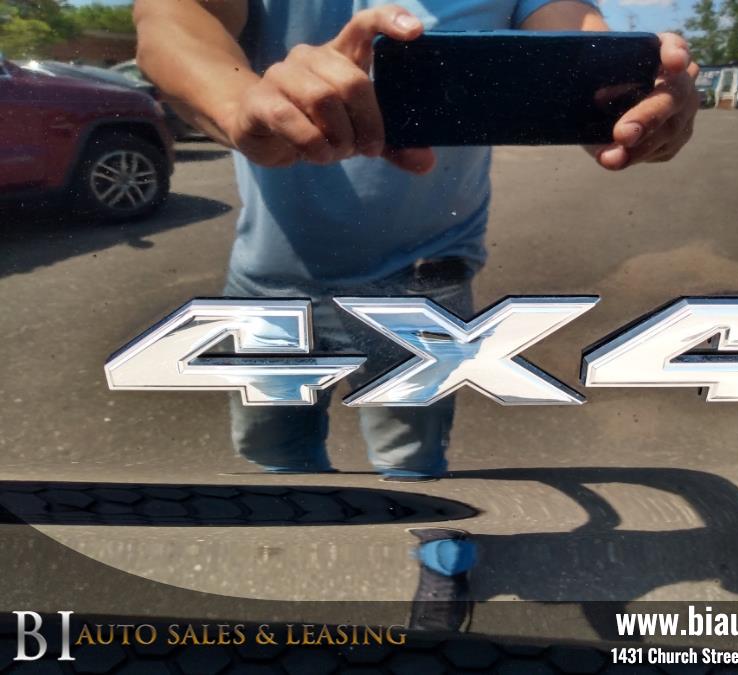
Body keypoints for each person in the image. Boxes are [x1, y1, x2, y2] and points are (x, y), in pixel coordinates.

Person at [133, 0, 700, 479]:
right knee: (279, 461)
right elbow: (172, 17)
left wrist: (628, 91)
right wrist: (236, 103)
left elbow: (572, 30)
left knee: (408, 465)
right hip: (275, 285)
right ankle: (318, 552)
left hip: (419, 284)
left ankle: (427, 542)